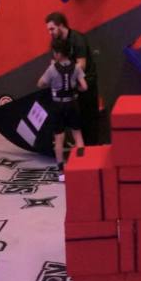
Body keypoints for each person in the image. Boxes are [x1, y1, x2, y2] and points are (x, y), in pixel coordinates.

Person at [37, 37, 87, 181]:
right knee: (77, 135)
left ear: (57, 53)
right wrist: (74, 88)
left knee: (59, 138)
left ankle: (61, 172)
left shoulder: (52, 69)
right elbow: (84, 87)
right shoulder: (76, 67)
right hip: (72, 103)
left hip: (57, 105)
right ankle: (82, 167)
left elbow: (40, 84)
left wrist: (52, 82)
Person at [45, 12, 99, 145]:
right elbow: (54, 63)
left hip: (86, 84)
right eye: (48, 30)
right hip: (70, 86)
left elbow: (81, 65)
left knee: (88, 119)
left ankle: (91, 151)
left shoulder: (78, 39)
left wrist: (63, 74)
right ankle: (80, 149)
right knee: (76, 121)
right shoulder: (55, 41)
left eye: (52, 29)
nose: (50, 33)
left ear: (61, 25)